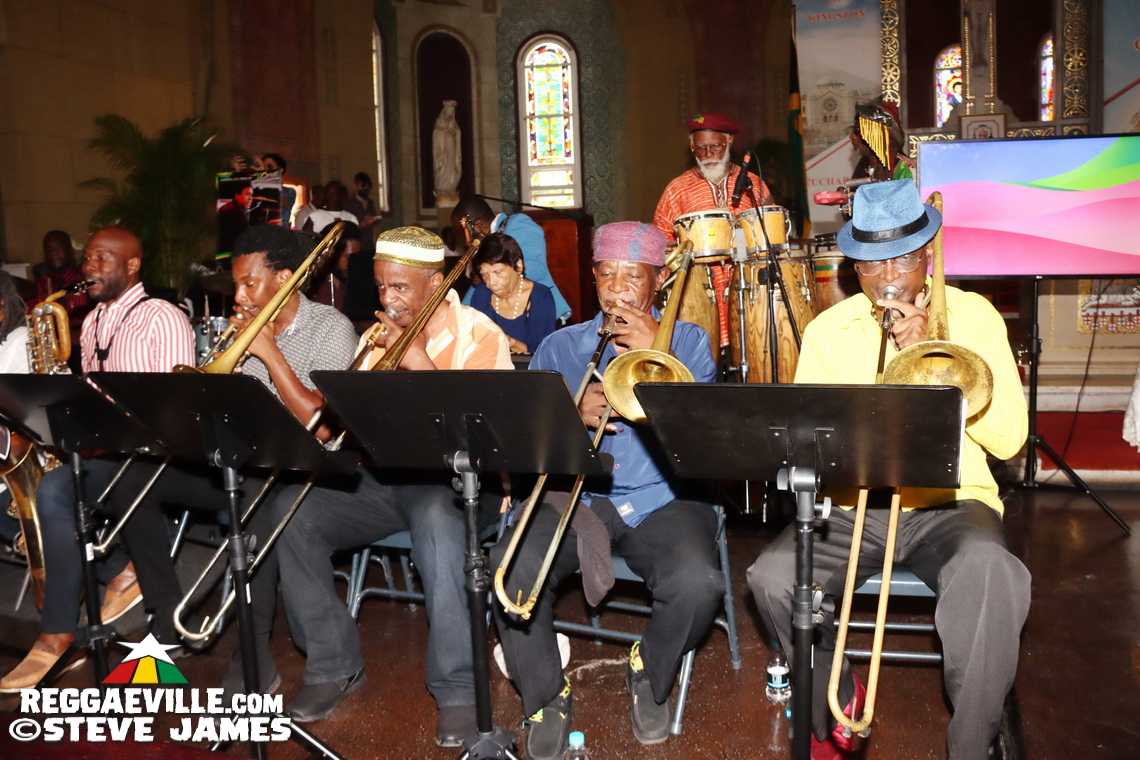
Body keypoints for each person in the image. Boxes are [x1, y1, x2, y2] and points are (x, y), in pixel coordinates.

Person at [746, 179, 1030, 760]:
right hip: (858, 508)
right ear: (854, 267)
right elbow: (808, 447)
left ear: (928, 253)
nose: (890, 276)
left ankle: (975, 743)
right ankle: (837, 693)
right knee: (770, 578)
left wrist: (944, 369)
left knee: (994, 575)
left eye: (902, 256)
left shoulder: (974, 317)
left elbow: (1009, 441)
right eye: (872, 262)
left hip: (952, 504)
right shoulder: (830, 331)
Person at [490, 222, 720, 760]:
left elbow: (706, 440)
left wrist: (656, 361)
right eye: (607, 274)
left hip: (664, 496)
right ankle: (545, 696)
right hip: (579, 497)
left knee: (699, 582)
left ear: (657, 281)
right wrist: (569, 417)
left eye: (632, 276)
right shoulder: (559, 345)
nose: (618, 288)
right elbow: (525, 446)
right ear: (593, 278)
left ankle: (650, 670)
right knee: (511, 566)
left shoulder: (687, 341)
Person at [273, 227, 512, 743]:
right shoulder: (376, 334)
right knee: (293, 512)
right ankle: (333, 664)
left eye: (400, 287)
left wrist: (419, 360)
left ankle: (457, 689)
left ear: (433, 284)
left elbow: (485, 436)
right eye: (382, 287)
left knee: (434, 518)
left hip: (464, 484)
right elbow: (342, 424)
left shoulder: (480, 333)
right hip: (390, 477)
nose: (388, 299)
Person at [108, 224, 357, 690]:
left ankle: (252, 658)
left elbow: (322, 424)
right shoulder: (242, 328)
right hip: (239, 461)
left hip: (302, 469)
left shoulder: (331, 328)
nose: (239, 294)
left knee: (254, 510)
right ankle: (165, 614)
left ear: (283, 278)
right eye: (237, 283)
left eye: (249, 283)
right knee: (133, 479)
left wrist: (270, 355)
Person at [0, 227, 195, 692]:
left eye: (104, 259)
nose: (90, 268)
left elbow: (169, 412)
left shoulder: (160, 318)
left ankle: (66, 624)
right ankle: (69, 620)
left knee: (57, 489)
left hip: (154, 457)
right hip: (108, 452)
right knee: (52, 489)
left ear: (133, 266)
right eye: (88, 258)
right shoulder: (92, 322)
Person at [652, 112, 773, 350]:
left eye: (715, 146)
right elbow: (661, 241)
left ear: (729, 142)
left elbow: (772, 235)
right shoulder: (677, 189)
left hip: (748, 291)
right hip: (697, 294)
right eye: (700, 149)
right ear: (691, 147)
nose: (708, 155)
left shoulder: (754, 184)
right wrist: (670, 249)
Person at [451, 196, 572, 323]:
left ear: (478, 224)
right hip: (513, 317)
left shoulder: (518, 224)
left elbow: (538, 269)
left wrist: (493, 272)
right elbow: (478, 288)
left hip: (541, 314)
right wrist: (459, 314)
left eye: (465, 235)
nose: (467, 242)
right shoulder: (487, 243)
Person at [467, 232, 555, 353]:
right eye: (485, 274)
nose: (491, 283)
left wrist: (510, 342)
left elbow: (543, 352)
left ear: (518, 266)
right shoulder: (481, 293)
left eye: (498, 272)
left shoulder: (540, 296)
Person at [31, 230, 90, 323]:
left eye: (59, 247)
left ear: (72, 251)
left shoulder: (87, 280)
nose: (53, 252)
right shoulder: (39, 285)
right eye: (48, 249)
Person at [261, 153, 297, 229]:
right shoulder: (258, 188)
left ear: (280, 170)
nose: (266, 171)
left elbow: (279, 201)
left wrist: (264, 178)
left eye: (270, 167)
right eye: (264, 167)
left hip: (280, 234)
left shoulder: (289, 191)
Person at [343, 171, 380, 239]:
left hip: (369, 243)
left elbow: (374, 227)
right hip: (357, 244)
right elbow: (347, 230)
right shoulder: (348, 204)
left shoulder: (370, 203)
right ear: (355, 185)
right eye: (362, 186)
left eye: (367, 187)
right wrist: (363, 224)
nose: (365, 189)